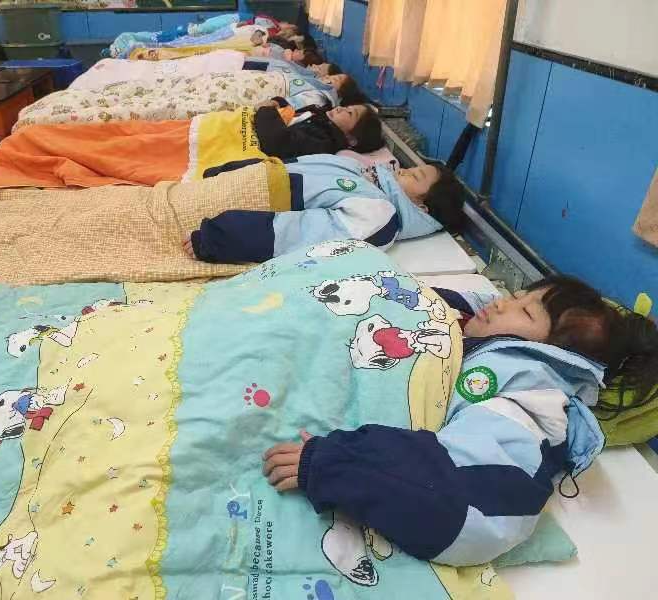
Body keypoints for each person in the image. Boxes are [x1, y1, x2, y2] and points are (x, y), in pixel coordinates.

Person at [261, 275, 658, 575]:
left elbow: (469, 510)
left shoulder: (529, 400)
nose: (502, 303)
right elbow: (429, 300)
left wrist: (339, 464)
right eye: (517, 294)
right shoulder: (498, 340)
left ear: (553, 353)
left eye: (525, 312)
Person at [182, 158, 463, 263]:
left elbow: (298, 235)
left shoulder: (379, 215)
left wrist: (218, 238)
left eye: (415, 176)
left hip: (221, 220)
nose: (404, 170)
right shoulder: (364, 174)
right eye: (412, 167)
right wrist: (226, 171)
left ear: (421, 206)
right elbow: (292, 165)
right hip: (226, 189)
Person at [255, 103, 384, 161]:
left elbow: (278, 142)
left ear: (352, 139)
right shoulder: (321, 118)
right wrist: (279, 102)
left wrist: (266, 110)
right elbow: (293, 112)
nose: (340, 108)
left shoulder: (323, 143)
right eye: (346, 107)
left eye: (349, 113)